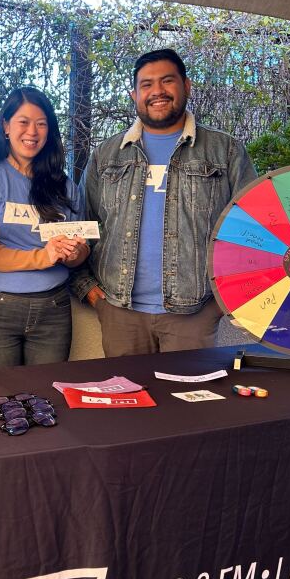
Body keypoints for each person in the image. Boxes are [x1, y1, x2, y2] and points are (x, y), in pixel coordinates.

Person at [71, 48, 257, 356]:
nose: (157, 91)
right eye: (147, 84)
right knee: (127, 401)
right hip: (120, 312)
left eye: (167, 81)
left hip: (194, 316)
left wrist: (222, 301)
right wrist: (89, 291)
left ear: (186, 86)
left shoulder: (225, 152)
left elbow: (252, 230)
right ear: (135, 94)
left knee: (189, 403)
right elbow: (83, 226)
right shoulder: (106, 155)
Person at [0, 87, 88, 367]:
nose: (32, 132)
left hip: (54, 308)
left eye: (41, 123)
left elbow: (80, 254)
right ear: (6, 126)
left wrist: (74, 254)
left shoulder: (66, 186)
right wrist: (43, 256)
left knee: (46, 398)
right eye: (23, 122)